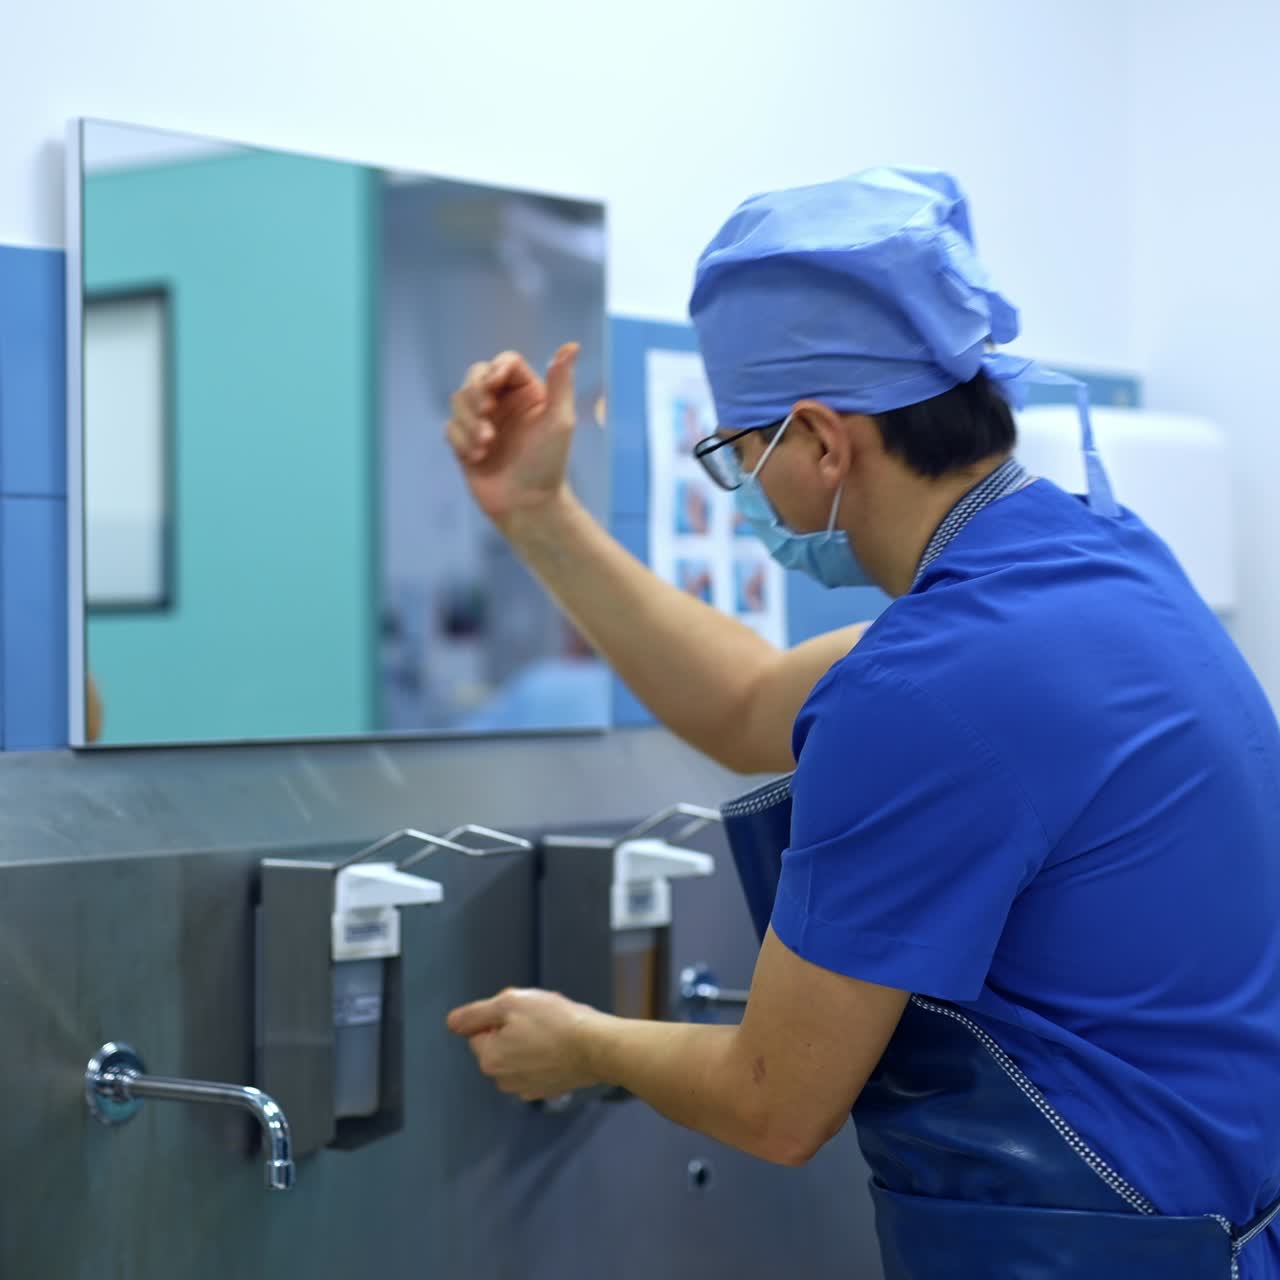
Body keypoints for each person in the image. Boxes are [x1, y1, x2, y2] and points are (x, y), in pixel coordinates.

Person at [443, 167, 1280, 1279]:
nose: (745, 494)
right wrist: (539, 515)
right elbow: (745, 703)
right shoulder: (1098, 561)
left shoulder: (929, 686)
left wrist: (583, 1041)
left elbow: (772, 1101)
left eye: (739, 454)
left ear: (823, 444)